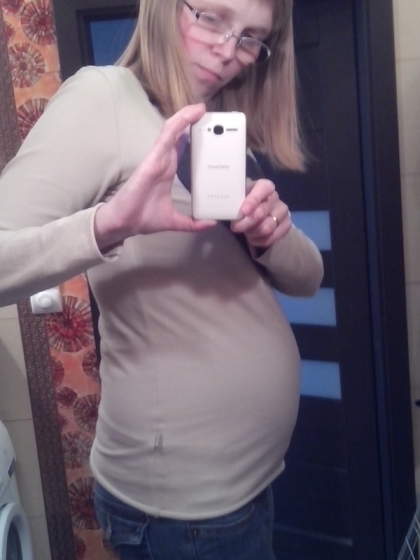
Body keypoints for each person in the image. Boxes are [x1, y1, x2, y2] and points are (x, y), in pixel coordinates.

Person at [0, 0, 323, 558]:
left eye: (252, 37)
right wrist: (108, 224)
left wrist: (273, 232)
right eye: (212, 17)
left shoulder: (212, 124)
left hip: (246, 483)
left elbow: (308, 280)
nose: (229, 50)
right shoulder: (103, 98)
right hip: (185, 511)